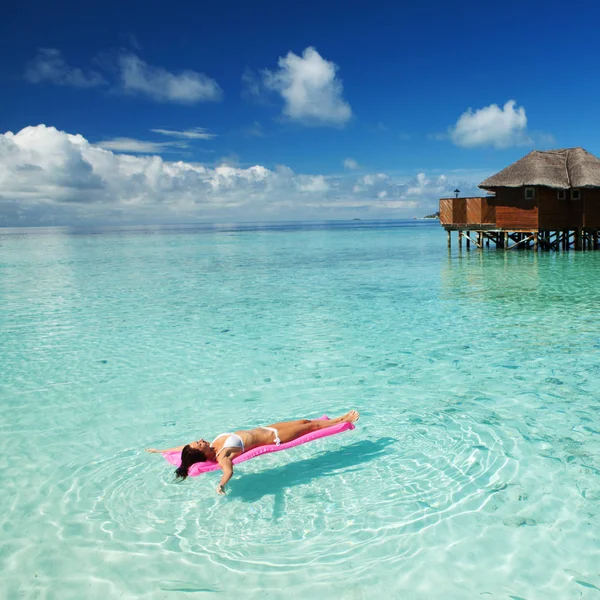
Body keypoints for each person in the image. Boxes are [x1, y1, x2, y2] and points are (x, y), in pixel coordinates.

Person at [146, 410, 359, 495]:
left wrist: (160, 450)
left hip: (267, 428)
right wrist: (221, 485)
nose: (201, 440)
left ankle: (336, 420)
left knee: (304, 421)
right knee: (310, 427)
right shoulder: (222, 455)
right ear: (200, 453)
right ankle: (342, 421)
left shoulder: (212, 446)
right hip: (275, 438)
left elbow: (181, 449)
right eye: (198, 443)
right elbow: (228, 471)